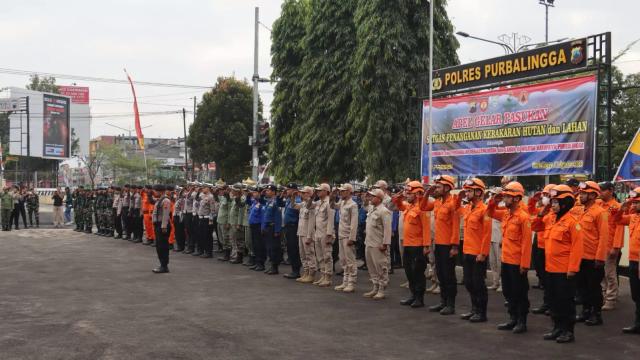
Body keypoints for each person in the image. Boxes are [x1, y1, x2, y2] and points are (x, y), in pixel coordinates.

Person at [531, 184, 582, 344]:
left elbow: (577, 248)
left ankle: (568, 331)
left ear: (565, 204)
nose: (552, 205)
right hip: (550, 268)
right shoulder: (550, 218)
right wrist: (541, 213)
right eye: (552, 202)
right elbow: (535, 226)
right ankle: (557, 328)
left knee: (565, 301)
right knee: (553, 300)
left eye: (555, 202)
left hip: (564, 270)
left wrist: (572, 269)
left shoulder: (572, 222)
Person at [488, 181, 532, 334]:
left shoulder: (523, 217)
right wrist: (495, 200)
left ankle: (521, 321)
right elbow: (490, 212)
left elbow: (527, 243)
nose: (504, 199)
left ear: (516, 198)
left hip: (517, 263)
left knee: (519, 292)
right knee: (508, 291)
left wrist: (524, 264)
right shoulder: (506, 214)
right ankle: (512, 318)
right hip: (506, 260)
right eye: (504, 196)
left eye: (507, 197)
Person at [419, 175, 460, 315]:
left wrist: (455, 246)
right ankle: (443, 302)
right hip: (438, 244)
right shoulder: (437, 202)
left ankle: (451, 304)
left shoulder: (453, 203)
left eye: (438, 186)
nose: (436, 188)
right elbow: (423, 207)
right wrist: (427, 193)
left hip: (448, 245)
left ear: (447, 187)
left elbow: (455, 225)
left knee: (449, 276)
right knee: (441, 275)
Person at [575, 181, 609, 326]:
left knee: (594, 288)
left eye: (583, 193)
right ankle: (586, 311)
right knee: (582, 287)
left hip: (593, 258)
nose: (580, 195)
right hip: (580, 256)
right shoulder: (581, 211)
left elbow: (604, 236)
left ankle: (596, 314)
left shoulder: (600, 213)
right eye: (581, 193)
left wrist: (600, 258)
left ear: (592, 195)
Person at [392, 181, 430, 308]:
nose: (407, 195)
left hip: (418, 246)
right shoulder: (408, 206)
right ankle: (413, 295)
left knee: (418, 272)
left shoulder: (422, 208)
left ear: (418, 194)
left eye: (410, 193)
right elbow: (397, 203)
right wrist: (401, 195)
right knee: (409, 271)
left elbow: (426, 228)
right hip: (407, 244)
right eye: (407, 193)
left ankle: (419, 298)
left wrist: (426, 246)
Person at [458, 178, 492, 323]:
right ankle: (474, 309)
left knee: (478, 284)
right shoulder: (467, 208)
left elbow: (486, 233)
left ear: (478, 192)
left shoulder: (484, 210)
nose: (466, 192)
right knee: (469, 282)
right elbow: (454, 208)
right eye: (466, 190)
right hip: (467, 251)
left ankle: (481, 312)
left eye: (469, 190)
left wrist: (483, 253)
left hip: (478, 253)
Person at [613, 187, 640, 334]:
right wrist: (622, 208)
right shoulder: (633, 217)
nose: (633, 205)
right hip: (634, 260)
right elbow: (617, 220)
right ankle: (637, 323)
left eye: (636, 202)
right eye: (632, 202)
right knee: (636, 294)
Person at [528, 184, 556, 315]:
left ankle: (552, 304)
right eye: (544, 195)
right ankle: (547, 303)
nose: (544, 197)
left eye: (547, 195)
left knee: (551, 279)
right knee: (543, 276)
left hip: (550, 249)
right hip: (539, 245)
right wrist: (534, 201)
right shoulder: (543, 209)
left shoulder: (556, 213)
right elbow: (533, 220)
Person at [363, 188, 392, 300]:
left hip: (378, 244)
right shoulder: (372, 209)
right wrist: (366, 197)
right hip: (369, 242)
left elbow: (387, 230)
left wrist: (385, 244)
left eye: (372, 196)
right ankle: (375, 287)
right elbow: (365, 205)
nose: (370, 198)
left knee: (381, 267)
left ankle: (381, 289)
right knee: (371, 267)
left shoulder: (384, 211)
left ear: (379, 199)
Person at [330, 183, 359, 292]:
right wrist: (332, 195)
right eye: (340, 191)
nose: (341, 192)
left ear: (348, 191)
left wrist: (352, 238)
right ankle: (345, 281)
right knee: (343, 259)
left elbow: (354, 224)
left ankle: (351, 283)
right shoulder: (342, 203)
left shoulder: (353, 205)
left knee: (350, 260)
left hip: (348, 235)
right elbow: (332, 205)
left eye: (343, 191)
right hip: (341, 234)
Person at [598, 181, 622, 311]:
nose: (600, 192)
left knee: (610, 274)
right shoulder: (599, 205)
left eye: (602, 190)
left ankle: (611, 299)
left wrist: (616, 247)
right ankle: (604, 295)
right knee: (602, 274)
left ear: (611, 190)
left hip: (610, 246)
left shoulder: (616, 207)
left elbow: (619, 227)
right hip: (600, 246)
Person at [311, 183, 335, 286]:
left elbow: (331, 219)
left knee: (327, 256)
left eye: (320, 190)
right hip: (318, 232)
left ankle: (328, 277)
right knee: (320, 256)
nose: (317, 192)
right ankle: (323, 275)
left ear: (326, 191)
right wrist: (311, 196)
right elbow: (308, 205)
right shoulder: (318, 202)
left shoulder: (329, 202)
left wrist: (329, 234)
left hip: (326, 233)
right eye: (317, 190)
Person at [278, 183, 302, 279]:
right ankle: (293, 270)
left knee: (294, 249)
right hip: (288, 227)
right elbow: (279, 203)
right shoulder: (288, 199)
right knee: (290, 249)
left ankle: (296, 271)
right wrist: (281, 195)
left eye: (289, 189)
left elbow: (299, 214)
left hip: (294, 227)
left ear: (294, 190)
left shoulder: (297, 200)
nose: (287, 191)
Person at [294, 186, 316, 283]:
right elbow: (294, 206)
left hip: (307, 234)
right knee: (302, 254)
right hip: (301, 232)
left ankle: (311, 274)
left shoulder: (312, 205)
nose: (301, 194)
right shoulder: (303, 204)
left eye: (304, 193)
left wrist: (309, 236)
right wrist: (292, 197)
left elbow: (311, 222)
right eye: (301, 193)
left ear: (309, 194)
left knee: (309, 254)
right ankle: (306, 272)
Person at [261, 184, 282, 275]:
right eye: (266, 191)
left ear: (273, 192)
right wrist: (263, 227)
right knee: (269, 248)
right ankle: (271, 266)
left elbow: (278, 217)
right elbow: (265, 215)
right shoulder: (269, 201)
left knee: (274, 248)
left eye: (268, 191)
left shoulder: (276, 202)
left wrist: (277, 230)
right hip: (267, 227)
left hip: (273, 227)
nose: (266, 192)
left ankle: (274, 267)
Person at [152, 184, 172, 273]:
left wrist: (163, 226)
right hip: (158, 225)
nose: (154, 192)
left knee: (163, 246)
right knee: (159, 246)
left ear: (160, 191)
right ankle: (162, 264)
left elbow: (166, 214)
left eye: (155, 191)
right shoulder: (160, 200)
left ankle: (164, 266)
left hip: (162, 226)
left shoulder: (166, 200)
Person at [487, 188, 503, 292]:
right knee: (492, 262)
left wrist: (503, 239)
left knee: (500, 262)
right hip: (491, 237)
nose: (491, 195)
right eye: (491, 194)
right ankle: (495, 282)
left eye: (494, 194)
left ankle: (502, 283)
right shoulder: (490, 204)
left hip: (499, 238)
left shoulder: (503, 206)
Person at [247, 186, 265, 271]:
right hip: (253, 226)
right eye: (253, 193)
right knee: (254, 245)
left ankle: (261, 264)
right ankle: (257, 262)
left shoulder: (262, 203)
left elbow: (262, 216)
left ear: (259, 194)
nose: (253, 194)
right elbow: (247, 201)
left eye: (255, 193)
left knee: (259, 246)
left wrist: (262, 227)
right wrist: (248, 195)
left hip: (258, 226)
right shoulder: (254, 202)